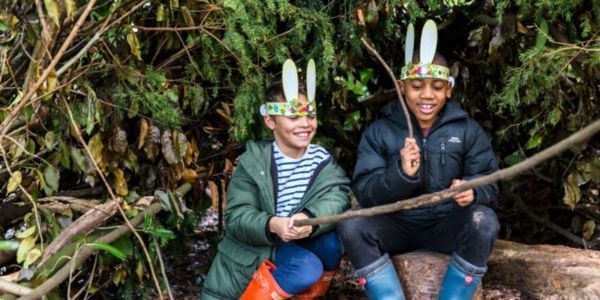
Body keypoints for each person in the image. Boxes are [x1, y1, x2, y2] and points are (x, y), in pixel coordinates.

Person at [337, 21, 500, 300]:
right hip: (396, 225)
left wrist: (472, 191)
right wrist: (399, 173)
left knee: (484, 220)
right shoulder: (380, 130)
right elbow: (365, 191)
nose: (427, 95)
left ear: (448, 90)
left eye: (437, 87)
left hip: (446, 223)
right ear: (402, 87)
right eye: (416, 86)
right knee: (351, 224)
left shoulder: (467, 129)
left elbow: (491, 187)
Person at [201, 59, 351, 300]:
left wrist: (310, 218)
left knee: (333, 245)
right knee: (306, 268)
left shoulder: (320, 159)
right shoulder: (254, 163)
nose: (305, 124)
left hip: (298, 236)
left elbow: (338, 195)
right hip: (263, 242)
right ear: (271, 121)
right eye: (294, 117)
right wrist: (272, 224)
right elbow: (237, 218)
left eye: (309, 115)